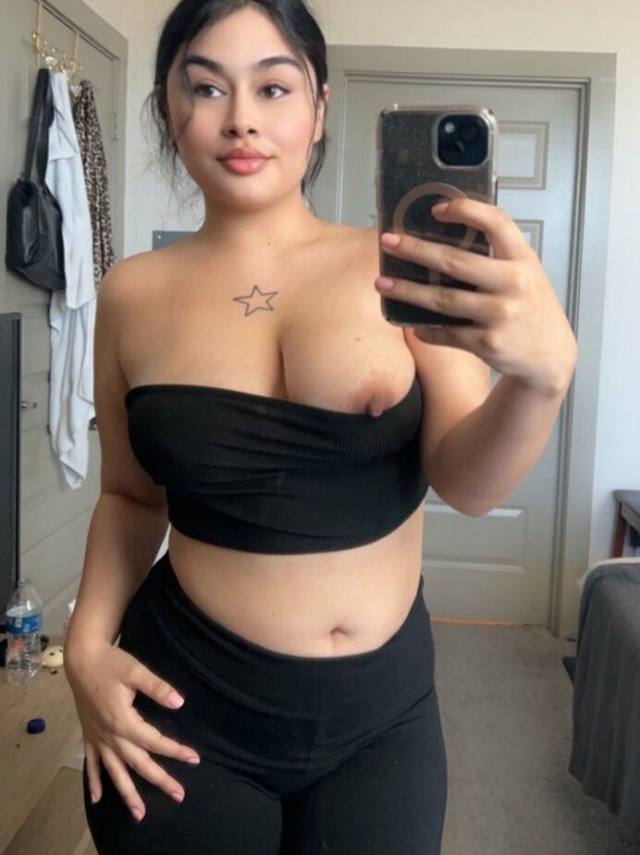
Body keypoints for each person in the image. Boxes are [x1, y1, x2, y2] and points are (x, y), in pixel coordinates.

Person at [63, 1, 579, 853]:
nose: (241, 119)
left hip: (381, 720)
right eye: (206, 87)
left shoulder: (403, 268)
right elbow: (128, 496)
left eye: (273, 87)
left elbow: (470, 484)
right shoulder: (132, 293)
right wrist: (84, 644)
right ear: (168, 108)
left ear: (320, 108)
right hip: (185, 706)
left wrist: (542, 379)